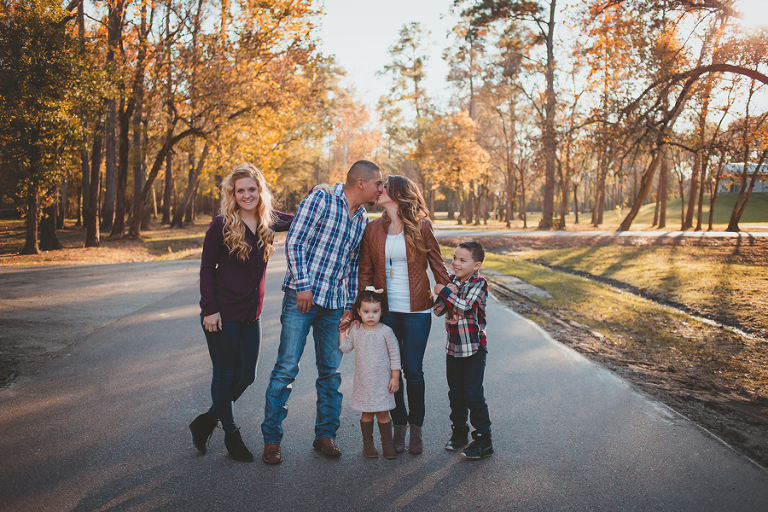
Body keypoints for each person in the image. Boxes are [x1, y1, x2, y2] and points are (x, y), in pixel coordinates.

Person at [261, 160, 384, 464]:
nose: (381, 189)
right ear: (360, 183)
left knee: (330, 373)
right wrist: (303, 286)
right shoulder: (321, 199)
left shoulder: (362, 219)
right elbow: (296, 243)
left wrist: (350, 308)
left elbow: (353, 266)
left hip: (334, 305)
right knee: (286, 368)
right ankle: (272, 440)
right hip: (300, 299)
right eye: (377, 184)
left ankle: (325, 435)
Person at [189, 163, 294, 462]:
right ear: (232, 194)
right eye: (240, 191)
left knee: (247, 375)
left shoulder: (269, 222)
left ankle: (206, 421)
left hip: (251, 313)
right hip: (221, 312)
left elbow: (303, 216)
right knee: (224, 375)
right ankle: (231, 435)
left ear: (260, 191)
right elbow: (207, 269)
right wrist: (209, 309)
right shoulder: (221, 224)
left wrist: (323, 193)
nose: (247, 195)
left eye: (252, 189)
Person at [357, 175, 450, 455]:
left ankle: (416, 428)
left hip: (417, 311)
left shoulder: (421, 226)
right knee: (391, 371)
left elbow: (438, 265)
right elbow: (364, 271)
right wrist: (360, 307)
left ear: (398, 194)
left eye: (384, 187)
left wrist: (449, 301)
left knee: (413, 370)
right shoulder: (372, 228)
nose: (379, 190)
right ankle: (399, 426)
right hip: (387, 312)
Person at [433, 241, 493, 460]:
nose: (456, 263)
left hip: (474, 348)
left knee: (473, 395)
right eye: (455, 258)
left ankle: (484, 441)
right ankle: (459, 433)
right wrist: (448, 293)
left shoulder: (480, 283)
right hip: (454, 348)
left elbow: (466, 307)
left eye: (462, 260)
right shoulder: (451, 281)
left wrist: (444, 292)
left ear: (476, 265)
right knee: (455, 394)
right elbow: (438, 310)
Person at [339, 287, 401, 459]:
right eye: (366, 312)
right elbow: (345, 348)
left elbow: (395, 356)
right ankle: (368, 444)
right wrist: (343, 330)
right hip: (364, 382)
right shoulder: (356, 331)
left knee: (382, 412)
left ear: (382, 312)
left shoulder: (386, 332)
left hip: (382, 382)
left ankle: (387, 444)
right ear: (359, 311)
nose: (370, 316)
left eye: (375, 311)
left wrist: (395, 378)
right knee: (367, 413)